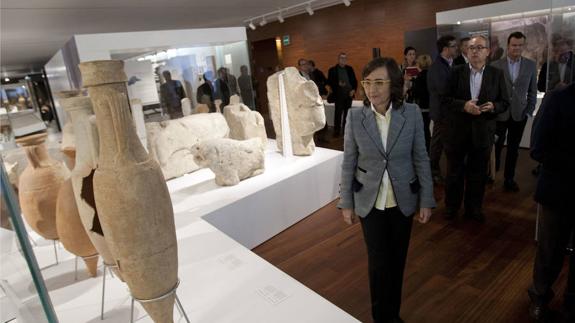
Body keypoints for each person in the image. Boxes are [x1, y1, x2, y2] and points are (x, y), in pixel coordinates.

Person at [338, 57, 435, 323]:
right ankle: (382, 317)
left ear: (393, 84)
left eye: (379, 82)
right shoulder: (356, 116)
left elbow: (421, 158)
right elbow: (348, 161)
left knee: (397, 262)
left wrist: (426, 199)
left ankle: (393, 314)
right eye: (367, 82)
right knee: (378, 264)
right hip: (369, 201)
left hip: (402, 200)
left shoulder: (411, 113)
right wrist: (346, 202)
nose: (372, 89)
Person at [443, 35, 509, 222]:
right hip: (458, 132)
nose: (475, 51)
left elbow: (504, 102)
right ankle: (451, 207)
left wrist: (493, 106)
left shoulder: (496, 74)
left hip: (482, 133)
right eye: (471, 48)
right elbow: (445, 100)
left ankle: (474, 208)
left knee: (478, 174)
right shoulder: (455, 72)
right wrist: (463, 106)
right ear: (466, 51)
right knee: (454, 172)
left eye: (480, 48)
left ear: (488, 52)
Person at [528, 83, 575, 323]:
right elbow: (537, 148)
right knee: (550, 249)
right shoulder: (558, 99)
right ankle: (539, 296)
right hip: (559, 189)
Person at [491, 31, 537, 192]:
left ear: (523, 46)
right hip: (500, 114)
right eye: (514, 45)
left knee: (513, 149)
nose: (517, 48)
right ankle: (491, 174)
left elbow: (532, 91)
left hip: (519, 114)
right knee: (495, 145)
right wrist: (494, 109)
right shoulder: (496, 65)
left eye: (520, 45)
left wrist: (529, 111)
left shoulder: (531, 65)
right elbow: (492, 91)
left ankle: (509, 179)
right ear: (508, 46)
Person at [427, 35, 458, 184]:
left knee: (445, 142)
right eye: (453, 46)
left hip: (449, 112)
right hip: (441, 112)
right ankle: (433, 171)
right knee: (437, 143)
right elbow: (443, 89)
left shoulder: (450, 63)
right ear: (445, 49)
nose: (456, 48)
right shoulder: (437, 67)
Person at [328, 53, 357, 136]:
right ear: (338, 59)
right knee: (338, 114)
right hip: (338, 95)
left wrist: (353, 90)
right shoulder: (332, 70)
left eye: (345, 58)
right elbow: (329, 82)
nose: (343, 60)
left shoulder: (350, 69)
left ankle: (346, 131)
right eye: (341, 58)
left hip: (349, 95)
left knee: (347, 115)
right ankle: (336, 132)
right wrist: (338, 83)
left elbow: (354, 81)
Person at [411, 54, 433, 151]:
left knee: (423, 130)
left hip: (422, 107)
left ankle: (425, 149)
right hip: (432, 106)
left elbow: (416, 93)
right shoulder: (433, 76)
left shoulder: (419, 78)